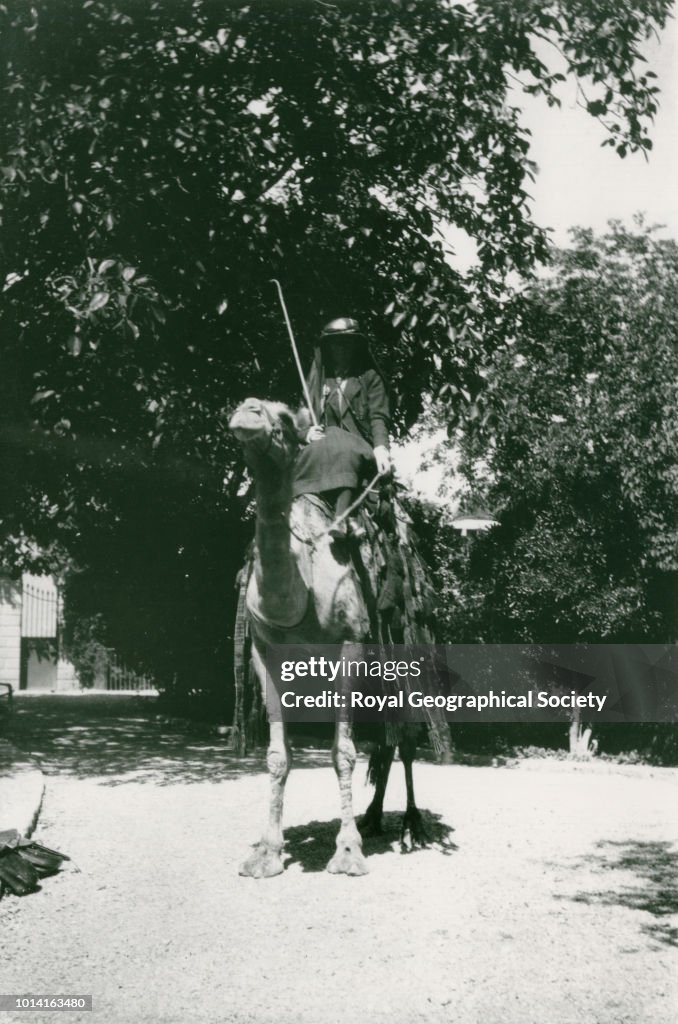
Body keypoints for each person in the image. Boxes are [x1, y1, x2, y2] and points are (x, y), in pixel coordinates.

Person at [293, 317, 392, 540]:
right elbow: (301, 420)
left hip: (359, 450)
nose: (342, 348)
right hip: (322, 451)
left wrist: (381, 448)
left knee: (339, 438)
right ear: (327, 347)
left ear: (356, 346)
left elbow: (378, 417)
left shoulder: (369, 378)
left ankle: (343, 516)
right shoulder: (318, 380)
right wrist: (306, 433)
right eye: (336, 343)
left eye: (347, 343)